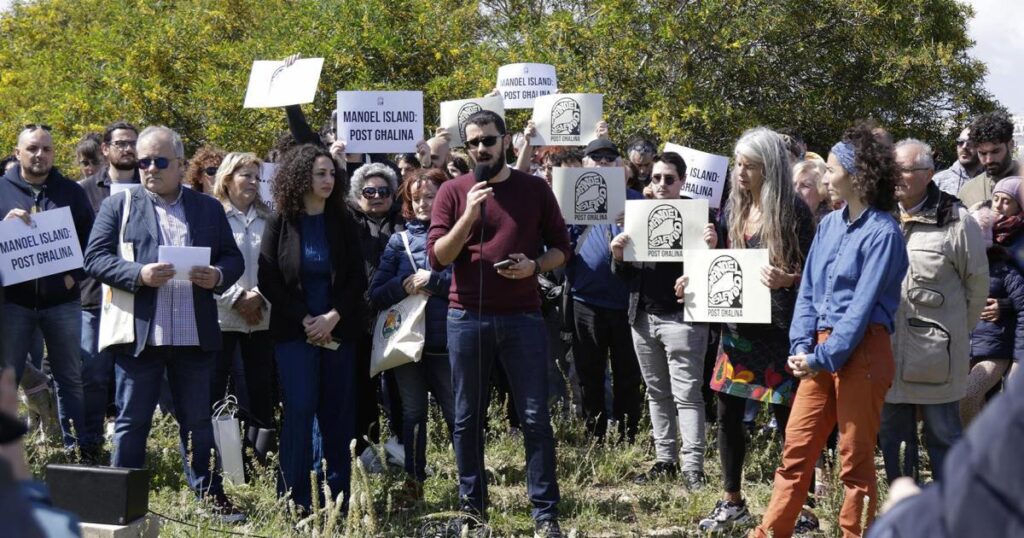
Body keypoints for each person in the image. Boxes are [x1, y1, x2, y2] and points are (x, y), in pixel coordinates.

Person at [751, 122, 909, 538]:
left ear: (857, 177)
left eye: (832, 167)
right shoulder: (828, 225)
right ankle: (770, 532)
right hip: (821, 349)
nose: (823, 174)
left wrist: (820, 356)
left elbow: (860, 309)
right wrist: (802, 344)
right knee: (796, 449)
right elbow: (808, 293)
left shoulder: (884, 233)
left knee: (855, 462)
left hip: (863, 351)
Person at [83, 125, 245, 521]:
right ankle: (122, 505)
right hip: (142, 335)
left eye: (159, 161)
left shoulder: (207, 208)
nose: (149, 169)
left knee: (196, 422)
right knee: (131, 422)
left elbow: (233, 258)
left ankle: (209, 497)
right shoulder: (119, 205)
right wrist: (138, 275)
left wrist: (218, 276)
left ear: (180, 164)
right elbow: (95, 258)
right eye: (143, 162)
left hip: (193, 334)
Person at [427, 110, 571, 537]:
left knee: (534, 417)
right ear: (465, 148)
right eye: (473, 143)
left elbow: (562, 248)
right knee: (467, 418)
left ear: (505, 140)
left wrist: (535, 266)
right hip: (466, 317)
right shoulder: (453, 192)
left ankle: (545, 514)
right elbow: (438, 257)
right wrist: (469, 217)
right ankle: (473, 513)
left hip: (523, 318)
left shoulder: (534, 189)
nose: (482, 148)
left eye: (488, 140)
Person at [698, 128, 815, 533]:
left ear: (770, 167)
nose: (740, 172)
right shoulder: (733, 207)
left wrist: (789, 279)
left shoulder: (794, 212)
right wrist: (695, 280)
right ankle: (732, 501)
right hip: (737, 328)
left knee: (790, 420)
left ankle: (800, 508)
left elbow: (813, 277)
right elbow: (726, 268)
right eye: (738, 164)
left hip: (782, 330)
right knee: (727, 412)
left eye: (749, 165)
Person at [257, 144, 365, 511]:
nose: (328, 180)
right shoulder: (280, 221)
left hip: (338, 331)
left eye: (332, 174)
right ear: (301, 177)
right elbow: (269, 279)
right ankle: (293, 499)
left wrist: (333, 316)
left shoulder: (345, 220)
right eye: (320, 174)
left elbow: (356, 280)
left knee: (337, 414)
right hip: (295, 333)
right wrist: (304, 318)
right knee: (300, 411)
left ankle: (337, 499)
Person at [879, 139, 987, 484]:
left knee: (943, 437)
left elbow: (977, 287)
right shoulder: (879, 217)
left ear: (928, 174)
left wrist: (954, 335)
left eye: (906, 170)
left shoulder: (956, 221)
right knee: (893, 441)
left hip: (936, 358)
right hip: (887, 354)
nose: (897, 176)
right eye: (893, 169)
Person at [609, 152, 716, 490]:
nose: (661, 185)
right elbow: (624, 276)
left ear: (683, 181)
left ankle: (693, 467)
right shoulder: (637, 215)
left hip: (684, 320)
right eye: (655, 178)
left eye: (669, 179)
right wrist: (618, 255)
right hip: (643, 318)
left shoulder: (701, 219)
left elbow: (718, 273)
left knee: (687, 395)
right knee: (656, 394)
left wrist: (711, 249)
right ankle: (665, 461)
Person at [0, 125, 93, 452]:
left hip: (62, 303)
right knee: (7, 380)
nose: (40, 155)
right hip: (13, 302)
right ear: (18, 153)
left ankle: (74, 450)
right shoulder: (1, 191)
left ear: (54, 153)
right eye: (33, 149)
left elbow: (92, 243)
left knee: (70, 379)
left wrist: (74, 276)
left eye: (46, 149)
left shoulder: (71, 192)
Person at [368, 168, 454, 496]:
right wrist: (402, 286)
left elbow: (473, 287)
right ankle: (414, 481)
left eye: (430, 196)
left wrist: (435, 282)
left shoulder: (462, 235)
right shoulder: (398, 240)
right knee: (414, 413)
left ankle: (470, 482)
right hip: (406, 345)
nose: (422, 204)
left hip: (446, 343)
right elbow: (375, 294)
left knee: (456, 415)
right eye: (415, 198)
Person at [865, 367, 1024, 538]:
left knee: (942, 437)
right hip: (895, 370)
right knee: (896, 440)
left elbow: (983, 498)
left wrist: (906, 516)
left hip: (939, 366)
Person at [565, 138, 644, 444]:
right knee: (588, 373)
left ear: (620, 166)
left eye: (609, 158)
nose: (602, 163)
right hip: (585, 300)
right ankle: (594, 436)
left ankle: (627, 438)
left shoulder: (638, 201)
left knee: (627, 375)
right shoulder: (570, 201)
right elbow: (559, 246)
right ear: (584, 164)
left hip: (628, 303)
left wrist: (631, 223)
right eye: (595, 158)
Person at [77, 121, 141, 459]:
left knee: (134, 378)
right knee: (93, 376)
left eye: (133, 143)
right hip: (93, 298)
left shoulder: (151, 188)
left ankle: (127, 449)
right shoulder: (83, 191)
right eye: (121, 143)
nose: (128, 149)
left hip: (140, 295)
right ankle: (88, 446)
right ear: (105, 149)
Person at [210, 152, 275, 433]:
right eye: (245, 175)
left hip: (261, 320)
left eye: (256, 177)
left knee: (261, 392)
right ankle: (219, 455)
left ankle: (260, 456)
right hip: (222, 320)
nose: (253, 182)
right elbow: (206, 266)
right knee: (217, 392)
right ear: (227, 179)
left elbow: (278, 266)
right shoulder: (211, 216)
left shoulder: (270, 218)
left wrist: (259, 297)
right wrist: (237, 298)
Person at [347, 161, 406, 455]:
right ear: (357, 195)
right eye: (369, 191)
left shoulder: (405, 221)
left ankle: (401, 447)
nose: (377, 195)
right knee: (361, 388)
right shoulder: (346, 223)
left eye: (384, 190)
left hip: (400, 317)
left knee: (400, 388)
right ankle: (366, 449)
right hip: (359, 318)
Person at [960, 205, 1024, 426]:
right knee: (969, 404)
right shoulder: (954, 267)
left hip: (993, 352)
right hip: (958, 351)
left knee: (968, 397)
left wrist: (1018, 358)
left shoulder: (1004, 272)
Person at [958, 112, 1019, 207]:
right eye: (982, 153)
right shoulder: (968, 192)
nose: (989, 160)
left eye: (995, 151)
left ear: (1011, 145)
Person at [933, 127, 982, 196]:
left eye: (971, 142)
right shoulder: (937, 181)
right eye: (960, 142)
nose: (964, 147)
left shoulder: (993, 181)